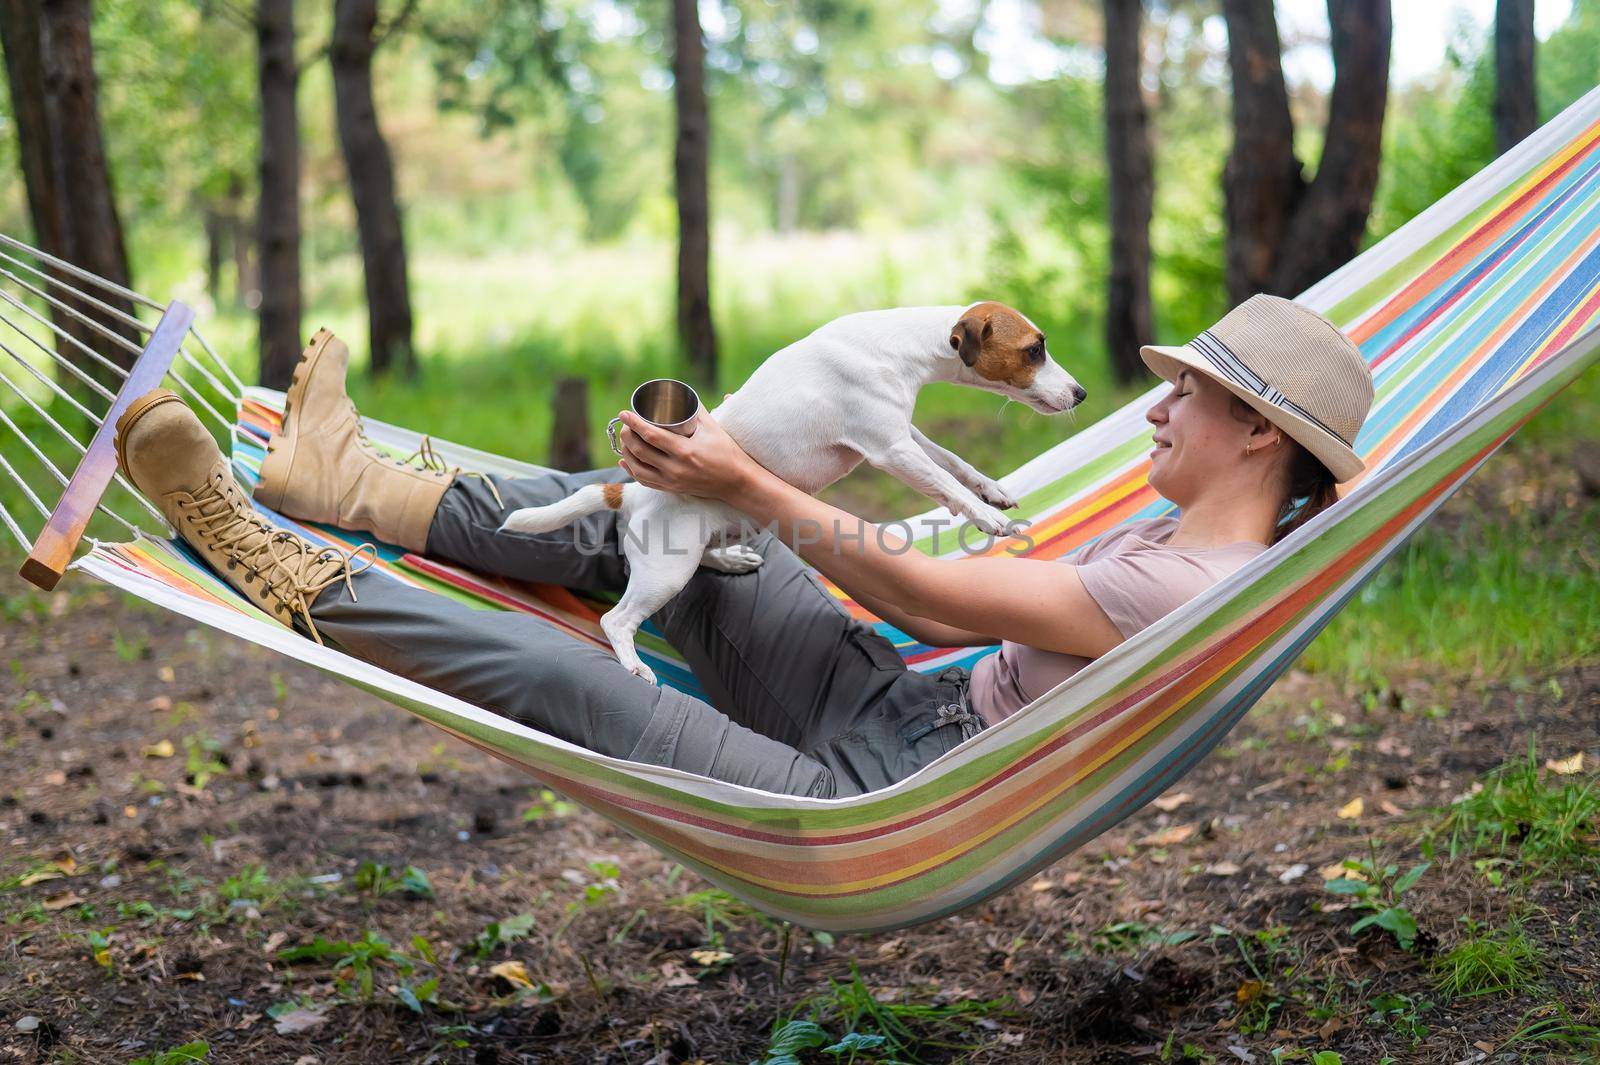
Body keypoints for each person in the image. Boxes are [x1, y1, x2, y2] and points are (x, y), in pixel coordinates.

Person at [112, 294, 1372, 798]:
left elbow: (927, 597)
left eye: (1185, 396)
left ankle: (270, 554)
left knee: (573, 679)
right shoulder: (1173, 532)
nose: (1152, 405)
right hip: (891, 700)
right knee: (676, 518)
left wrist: (755, 477)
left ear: (1257, 436)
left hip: (880, 801)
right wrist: (730, 491)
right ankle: (347, 483)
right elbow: (933, 627)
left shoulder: (1190, 584)